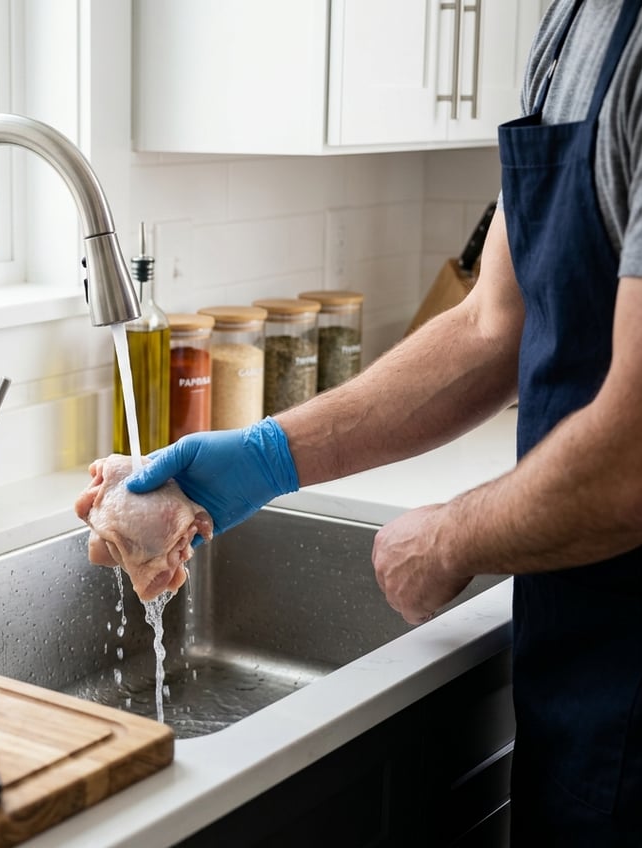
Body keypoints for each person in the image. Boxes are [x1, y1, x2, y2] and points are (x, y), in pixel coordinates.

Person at [125, 1, 642, 844]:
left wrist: (448, 538)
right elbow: (491, 324)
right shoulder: (569, 24)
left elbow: (631, 456)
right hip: (577, 646)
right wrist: (268, 455)